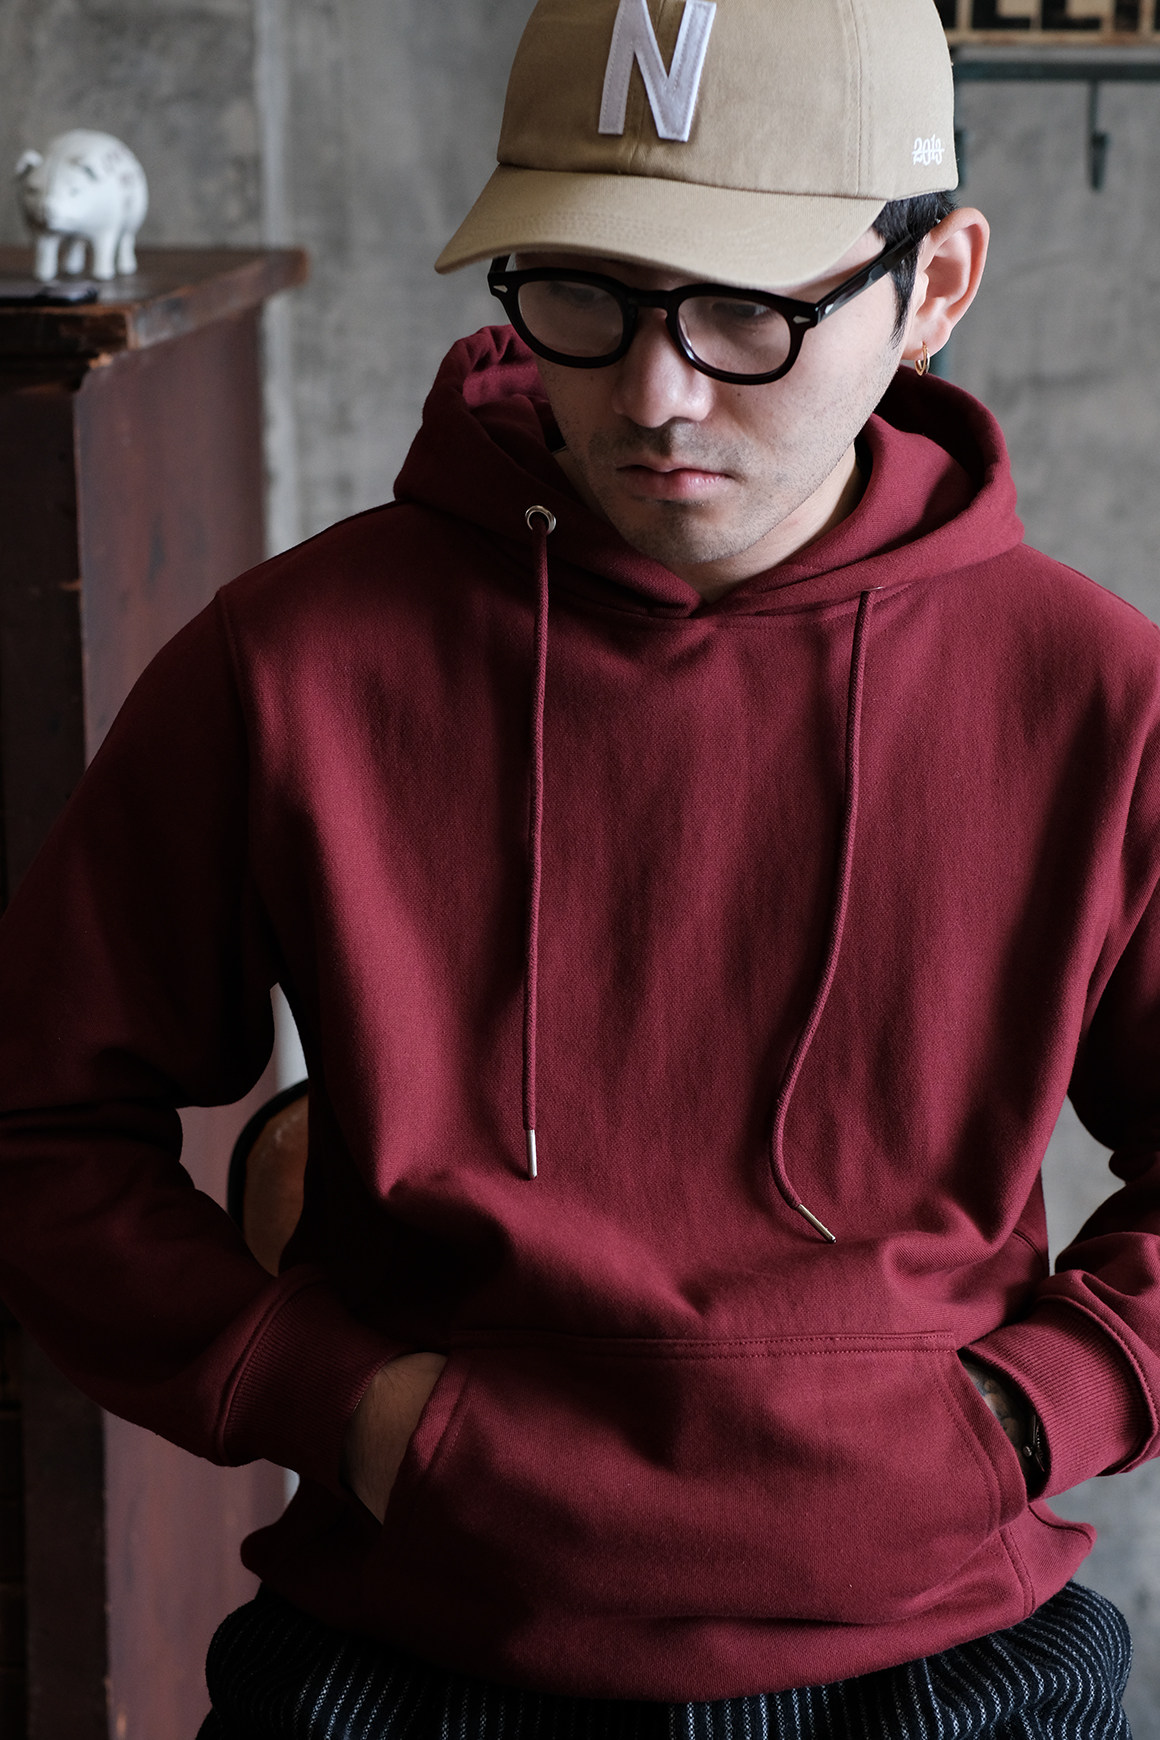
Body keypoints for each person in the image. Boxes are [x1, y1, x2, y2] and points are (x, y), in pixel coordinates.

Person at [0, 0, 1153, 1733]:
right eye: (585, 292)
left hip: (952, 1672)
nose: (654, 391)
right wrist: (339, 1407)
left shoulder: (1096, 691)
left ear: (935, 284)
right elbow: (43, 1121)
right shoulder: (294, 659)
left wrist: (1036, 1412)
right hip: (402, 1671)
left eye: (746, 309)